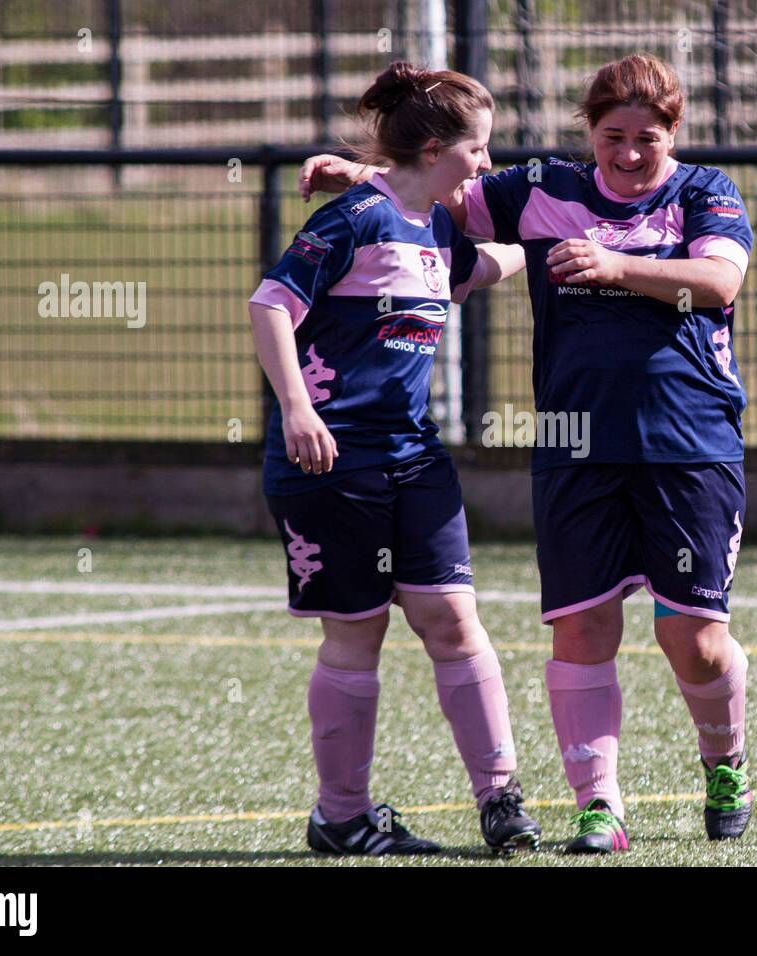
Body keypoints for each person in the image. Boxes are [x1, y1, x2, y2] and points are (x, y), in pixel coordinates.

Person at [300, 53, 754, 854]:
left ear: (672, 133)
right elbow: (441, 183)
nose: (629, 153)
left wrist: (616, 265)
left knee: (696, 639)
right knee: (581, 630)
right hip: (573, 447)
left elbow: (718, 283)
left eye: (647, 137)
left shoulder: (705, 191)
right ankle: (599, 806)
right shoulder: (546, 188)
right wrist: (363, 172)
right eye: (613, 136)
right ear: (591, 131)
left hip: (688, 443)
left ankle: (725, 761)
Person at [249, 61, 536, 856]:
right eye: (479, 150)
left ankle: (501, 799)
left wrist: (550, 243)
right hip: (331, 461)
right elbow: (271, 303)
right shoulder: (353, 220)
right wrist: (298, 409)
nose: (487, 165)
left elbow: (483, 267)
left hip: (414, 456)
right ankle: (341, 817)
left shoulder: (436, 226)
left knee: (453, 619)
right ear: (439, 147)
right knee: (357, 632)